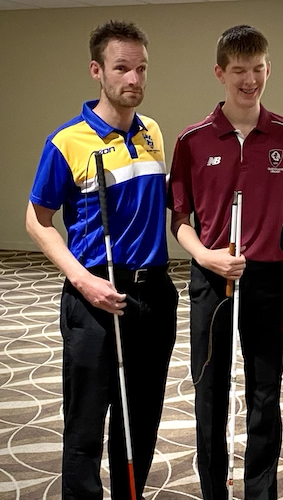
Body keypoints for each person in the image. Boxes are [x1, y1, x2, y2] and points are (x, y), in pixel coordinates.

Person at [26, 20, 177, 500]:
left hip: (153, 296)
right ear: (97, 71)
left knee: (141, 419)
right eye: (122, 68)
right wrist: (82, 280)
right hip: (94, 296)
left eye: (141, 68)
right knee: (87, 423)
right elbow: (37, 219)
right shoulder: (67, 141)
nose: (134, 79)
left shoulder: (152, 130)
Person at [169, 25, 283, 500]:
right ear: (220, 73)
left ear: (268, 69)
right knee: (210, 393)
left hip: (268, 279)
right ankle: (214, 490)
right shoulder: (192, 140)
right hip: (210, 279)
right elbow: (180, 221)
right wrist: (206, 256)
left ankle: (260, 492)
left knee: (264, 395)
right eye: (239, 71)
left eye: (258, 69)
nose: (249, 80)